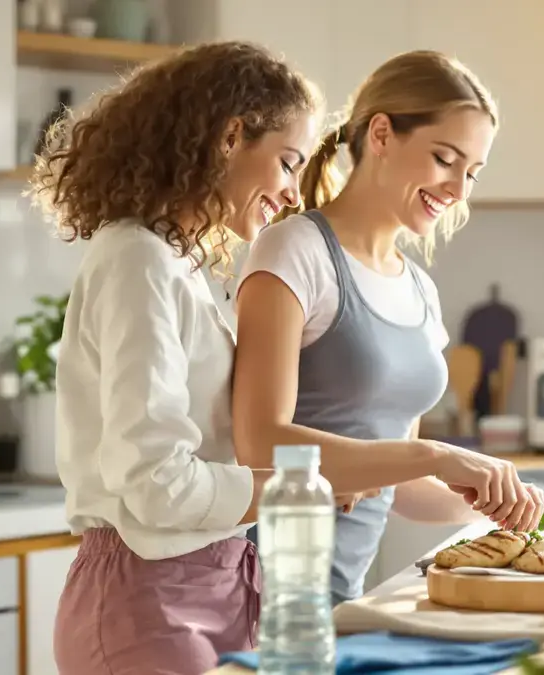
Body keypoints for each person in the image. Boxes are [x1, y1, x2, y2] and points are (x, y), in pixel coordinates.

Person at [28, 42, 345, 674]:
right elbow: (155, 484)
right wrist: (292, 490)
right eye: (287, 162)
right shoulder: (136, 259)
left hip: (213, 591)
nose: (290, 193)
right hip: (145, 605)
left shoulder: (181, 264)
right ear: (231, 136)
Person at [231, 50, 544, 606]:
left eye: (471, 172)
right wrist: (438, 456)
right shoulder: (295, 251)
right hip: (261, 596)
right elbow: (260, 441)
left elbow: (396, 484)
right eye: (445, 158)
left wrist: (495, 500)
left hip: (341, 596)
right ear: (381, 134)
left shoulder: (420, 289)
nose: (459, 189)